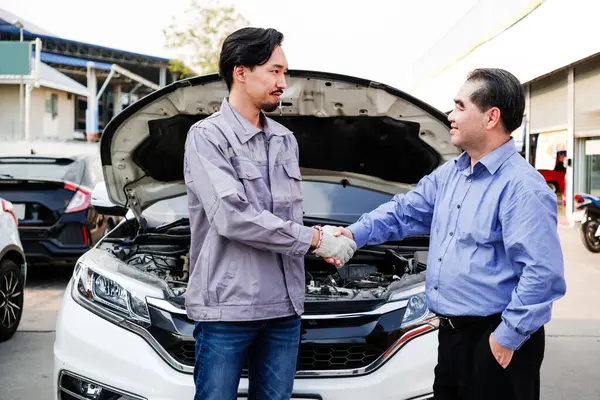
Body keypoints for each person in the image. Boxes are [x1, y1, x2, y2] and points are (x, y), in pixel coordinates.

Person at [323, 68, 566, 400]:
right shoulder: (451, 174)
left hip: (494, 336)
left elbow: (542, 275)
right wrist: (351, 235)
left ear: (491, 117)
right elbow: (403, 211)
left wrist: (505, 338)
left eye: (460, 107)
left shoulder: (522, 188)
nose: (451, 116)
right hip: (451, 337)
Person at [182, 27, 357, 400]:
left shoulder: (284, 140)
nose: (283, 82)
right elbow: (232, 215)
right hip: (227, 309)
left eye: (284, 73)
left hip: (285, 309)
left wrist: (325, 239)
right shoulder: (207, 137)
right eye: (274, 71)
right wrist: (312, 239)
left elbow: (287, 217)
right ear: (240, 72)